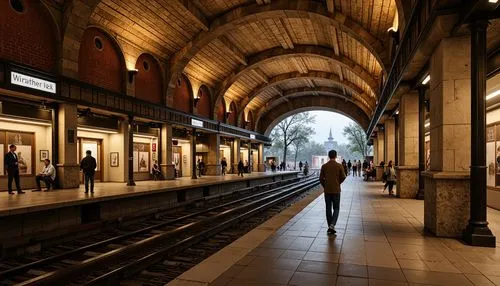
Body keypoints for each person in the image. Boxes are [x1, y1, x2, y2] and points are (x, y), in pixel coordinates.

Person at [320, 150, 346, 235]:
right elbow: (343, 177)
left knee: (328, 208)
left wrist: (325, 185)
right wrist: (338, 183)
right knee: (336, 208)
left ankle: (330, 226)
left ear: (328, 156)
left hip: (327, 190)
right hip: (336, 190)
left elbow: (320, 178)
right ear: (335, 156)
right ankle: (332, 225)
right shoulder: (339, 166)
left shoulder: (324, 166)